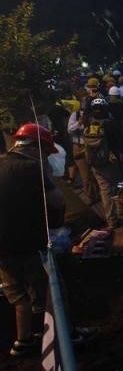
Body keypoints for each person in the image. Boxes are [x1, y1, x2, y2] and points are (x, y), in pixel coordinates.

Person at [0, 124, 65, 356]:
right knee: (52, 289)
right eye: (46, 152)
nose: (46, 156)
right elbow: (57, 201)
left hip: (3, 248)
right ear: (36, 148)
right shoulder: (30, 167)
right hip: (26, 242)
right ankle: (67, 336)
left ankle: (23, 341)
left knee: (19, 295)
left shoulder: (1, 161)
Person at [84, 97, 122, 230]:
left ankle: (111, 220)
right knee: (116, 186)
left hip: (94, 162)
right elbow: (117, 142)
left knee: (104, 189)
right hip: (110, 161)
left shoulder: (88, 124)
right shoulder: (110, 124)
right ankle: (118, 213)